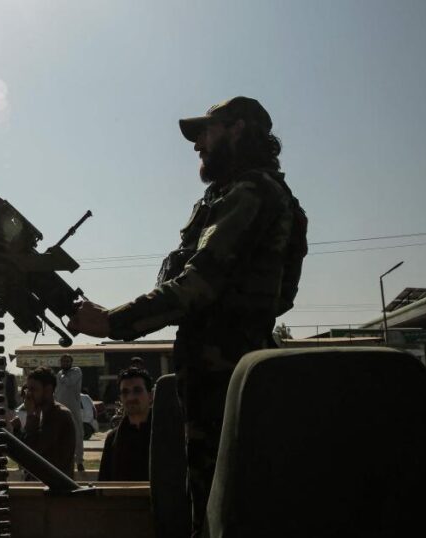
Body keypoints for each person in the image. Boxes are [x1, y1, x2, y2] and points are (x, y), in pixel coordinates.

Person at [68, 96, 306, 535]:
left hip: (223, 383)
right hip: (221, 379)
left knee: (221, 512)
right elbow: (280, 297)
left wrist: (114, 322)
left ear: (237, 129)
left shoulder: (250, 193)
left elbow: (197, 285)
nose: (197, 145)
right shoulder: (243, 194)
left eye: (206, 132)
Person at [20, 366, 77, 478]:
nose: (29, 395)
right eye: (28, 389)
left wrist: (31, 416)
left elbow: (32, 452)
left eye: (33, 389)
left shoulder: (59, 415)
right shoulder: (42, 414)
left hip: (56, 486)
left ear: (48, 390)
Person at [99, 367, 153, 481]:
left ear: (150, 396)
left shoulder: (165, 434)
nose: (130, 397)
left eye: (137, 390)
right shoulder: (112, 439)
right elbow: (104, 483)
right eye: (125, 392)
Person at [55, 354, 85, 472]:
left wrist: (62, 374)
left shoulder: (76, 371)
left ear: (71, 362)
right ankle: (64, 461)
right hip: (61, 408)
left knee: (78, 434)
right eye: (63, 361)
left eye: (67, 361)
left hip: (73, 408)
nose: (65, 363)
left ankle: (79, 461)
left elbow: (69, 382)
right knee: (62, 436)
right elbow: (57, 391)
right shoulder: (59, 373)